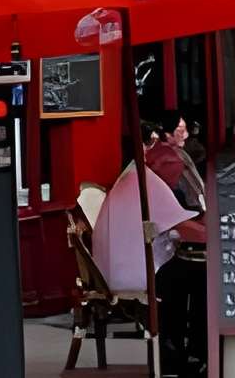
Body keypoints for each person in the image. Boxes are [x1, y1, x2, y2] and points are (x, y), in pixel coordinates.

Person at [92, 156, 204, 374]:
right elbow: (187, 228)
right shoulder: (146, 183)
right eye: (174, 171)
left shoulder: (130, 179)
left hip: (113, 267)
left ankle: (180, 350)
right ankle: (190, 350)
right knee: (195, 275)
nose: (175, 181)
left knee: (182, 274)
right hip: (130, 273)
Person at [146, 106, 206, 209]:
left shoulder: (176, 151)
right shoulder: (169, 157)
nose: (186, 135)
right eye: (181, 131)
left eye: (185, 130)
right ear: (167, 134)